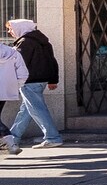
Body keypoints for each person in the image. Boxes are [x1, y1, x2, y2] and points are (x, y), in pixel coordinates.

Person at [7, 19, 61, 148]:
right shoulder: (43, 41)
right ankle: (13, 138)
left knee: (37, 109)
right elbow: (52, 62)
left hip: (29, 81)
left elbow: (17, 63)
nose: (9, 32)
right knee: (26, 110)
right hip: (41, 80)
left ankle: (52, 137)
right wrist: (53, 80)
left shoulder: (24, 42)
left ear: (19, 27)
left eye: (11, 28)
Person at [0, 31, 28, 155]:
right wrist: (16, 86)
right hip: (5, 90)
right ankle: (9, 143)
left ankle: (10, 141)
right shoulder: (12, 52)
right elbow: (23, 73)